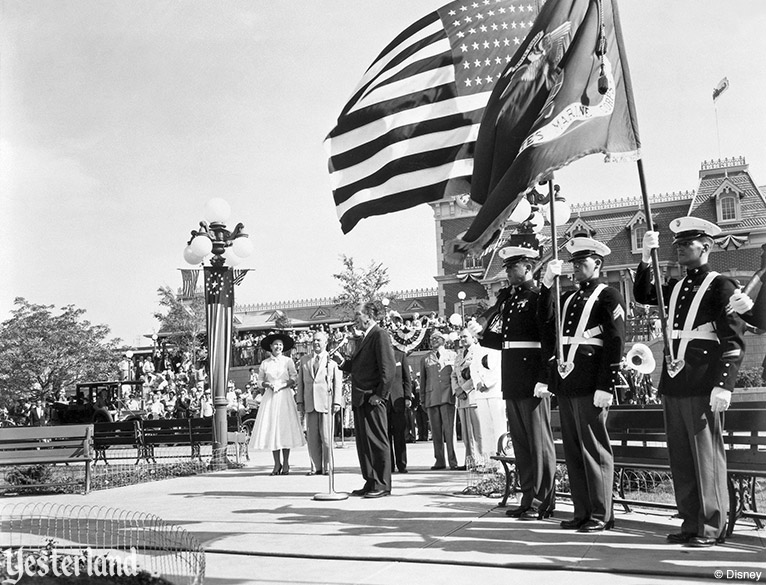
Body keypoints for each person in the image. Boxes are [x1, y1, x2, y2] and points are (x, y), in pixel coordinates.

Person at [635, 217, 746, 547]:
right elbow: (644, 294)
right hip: (675, 381)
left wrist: (724, 384)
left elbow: (733, 340)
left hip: (701, 382)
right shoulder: (677, 286)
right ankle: (690, 520)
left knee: (705, 459)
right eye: (678, 244)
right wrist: (645, 258)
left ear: (706, 247)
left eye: (688, 243)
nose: (681, 248)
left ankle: (711, 527)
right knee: (682, 458)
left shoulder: (721, 286)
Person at [540, 235, 626, 533]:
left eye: (581, 262)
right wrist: (548, 284)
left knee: (594, 450)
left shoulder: (608, 295)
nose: (575, 268)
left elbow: (615, 341)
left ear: (598, 264)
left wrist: (607, 384)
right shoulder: (569, 297)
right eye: (573, 263)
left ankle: (602, 513)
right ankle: (582, 510)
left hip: (591, 383)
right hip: (568, 383)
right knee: (574, 451)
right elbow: (547, 322)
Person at [494, 240, 556, 520]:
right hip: (513, 376)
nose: (507, 271)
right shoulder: (511, 297)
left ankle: (542, 500)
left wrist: (544, 378)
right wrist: (480, 333)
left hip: (532, 377)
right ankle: (528, 495)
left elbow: (548, 339)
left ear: (528, 267)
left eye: (512, 266)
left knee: (538, 442)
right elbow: (506, 340)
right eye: (506, 266)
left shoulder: (538, 296)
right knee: (521, 442)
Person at [335, 302, 396, 498]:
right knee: (364, 443)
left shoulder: (379, 334)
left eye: (358, 314)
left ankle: (382, 484)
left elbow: (388, 369)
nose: (355, 319)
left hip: (372, 398)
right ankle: (370, 480)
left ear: (368, 315)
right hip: (361, 398)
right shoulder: (365, 337)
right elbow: (361, 366)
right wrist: (342, 363)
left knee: (377, 441)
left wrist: (380, 395)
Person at [249, 332, 305, 475]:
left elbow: (295, 377)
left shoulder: (287, 361)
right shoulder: (265, 363)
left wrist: (284, 384)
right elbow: (259, 381)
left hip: (284, 395)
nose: (278, 347)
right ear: (271, 347)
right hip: (271, 397)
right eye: (275, 345)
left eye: (280, 345)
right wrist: (267, 384)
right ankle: (276, 464)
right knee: (272, 428)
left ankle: (286, 463)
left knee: (284, 428)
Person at [296, 330, 342, 476]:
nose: (316, 343)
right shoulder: (305, 360)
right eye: (314, 340)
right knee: (312, 438)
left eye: (319, 340)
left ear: (325, 343)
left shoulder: (332, 362)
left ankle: (328, 466)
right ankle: (316, 467)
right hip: (310, 403)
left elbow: (337, 384)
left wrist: (336, 402)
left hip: (326, 403)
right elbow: (300, 383)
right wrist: (300, 401)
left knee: (327, 438)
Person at [420, 330, 459, 470]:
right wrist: (422, 400)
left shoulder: (453, 355)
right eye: (432, 339)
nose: (434, 340)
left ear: (444, 340)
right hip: (432, 397)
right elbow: (423, 381)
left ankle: (453, 461)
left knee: (449, 431)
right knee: (436, 432)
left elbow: (456, 375)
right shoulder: (425, 358)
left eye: (437, 338)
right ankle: (439, 460)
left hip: (448, 396)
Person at [388, 346, 412, 473]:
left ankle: (402, 464)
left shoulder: (400, 355)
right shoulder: (378, 354)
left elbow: (407, 379)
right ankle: (389, 465)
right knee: (386, 435)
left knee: (400, 435)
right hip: (384, 401)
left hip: (398, 400)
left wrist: (408, 397)